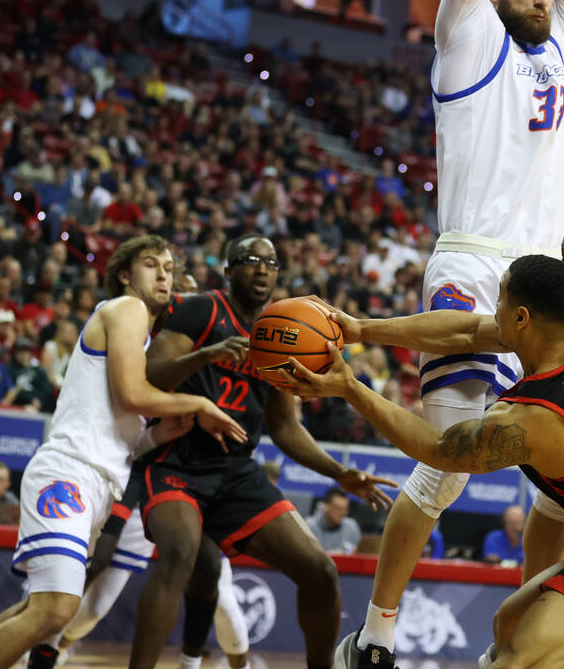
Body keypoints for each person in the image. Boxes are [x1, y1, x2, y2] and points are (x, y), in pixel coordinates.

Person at [344, 0, 564, 663]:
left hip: (548, 283)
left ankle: (531, 635)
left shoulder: (563, 44)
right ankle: (379, 633)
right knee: (445, 470)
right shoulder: (467, 35)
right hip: (471, 260)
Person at [280, 255, 564, 669]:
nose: (494, 308)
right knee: (509, 625)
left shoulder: (533, 417)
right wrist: (360, 329)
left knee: (515, 663)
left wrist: (349, 387)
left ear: (521, 317)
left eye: (500, 299)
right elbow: (467, 331)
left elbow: (438, 450)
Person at [0, 234, 247, 669]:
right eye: (152, 264)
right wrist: (198, 403)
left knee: (38, 611)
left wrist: (156, 436)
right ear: (125, 275)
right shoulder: (125, 308)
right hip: (70, 471)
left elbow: (122, 430)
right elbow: (132, 394)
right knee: (54, 610)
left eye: (169, 268)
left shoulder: (142, 340)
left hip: (98, 479)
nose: (164, 274)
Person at [126, 234, 395, 669]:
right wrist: (207, 353)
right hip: (176, 460)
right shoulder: (201, 309)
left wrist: (338, 472)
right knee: (181, 556)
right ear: (229, 270)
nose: (263, 269)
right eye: (250, 260)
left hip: (235, 470)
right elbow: (150, 375)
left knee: (320, 571)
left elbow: (285, 426)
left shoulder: (280, 333)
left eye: (271, 262)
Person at [44, 467, 253, 669]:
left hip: (193, 491)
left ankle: (242, 666)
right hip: (141, 492)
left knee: (223, 601)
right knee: (96, 607)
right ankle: (53, 648)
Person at [306, 488, 362, 554]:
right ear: (325, 506)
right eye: (338, 508)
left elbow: (357, 552)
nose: (342, 513)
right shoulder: (309, 526)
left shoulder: (351, 526)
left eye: (345, 509)